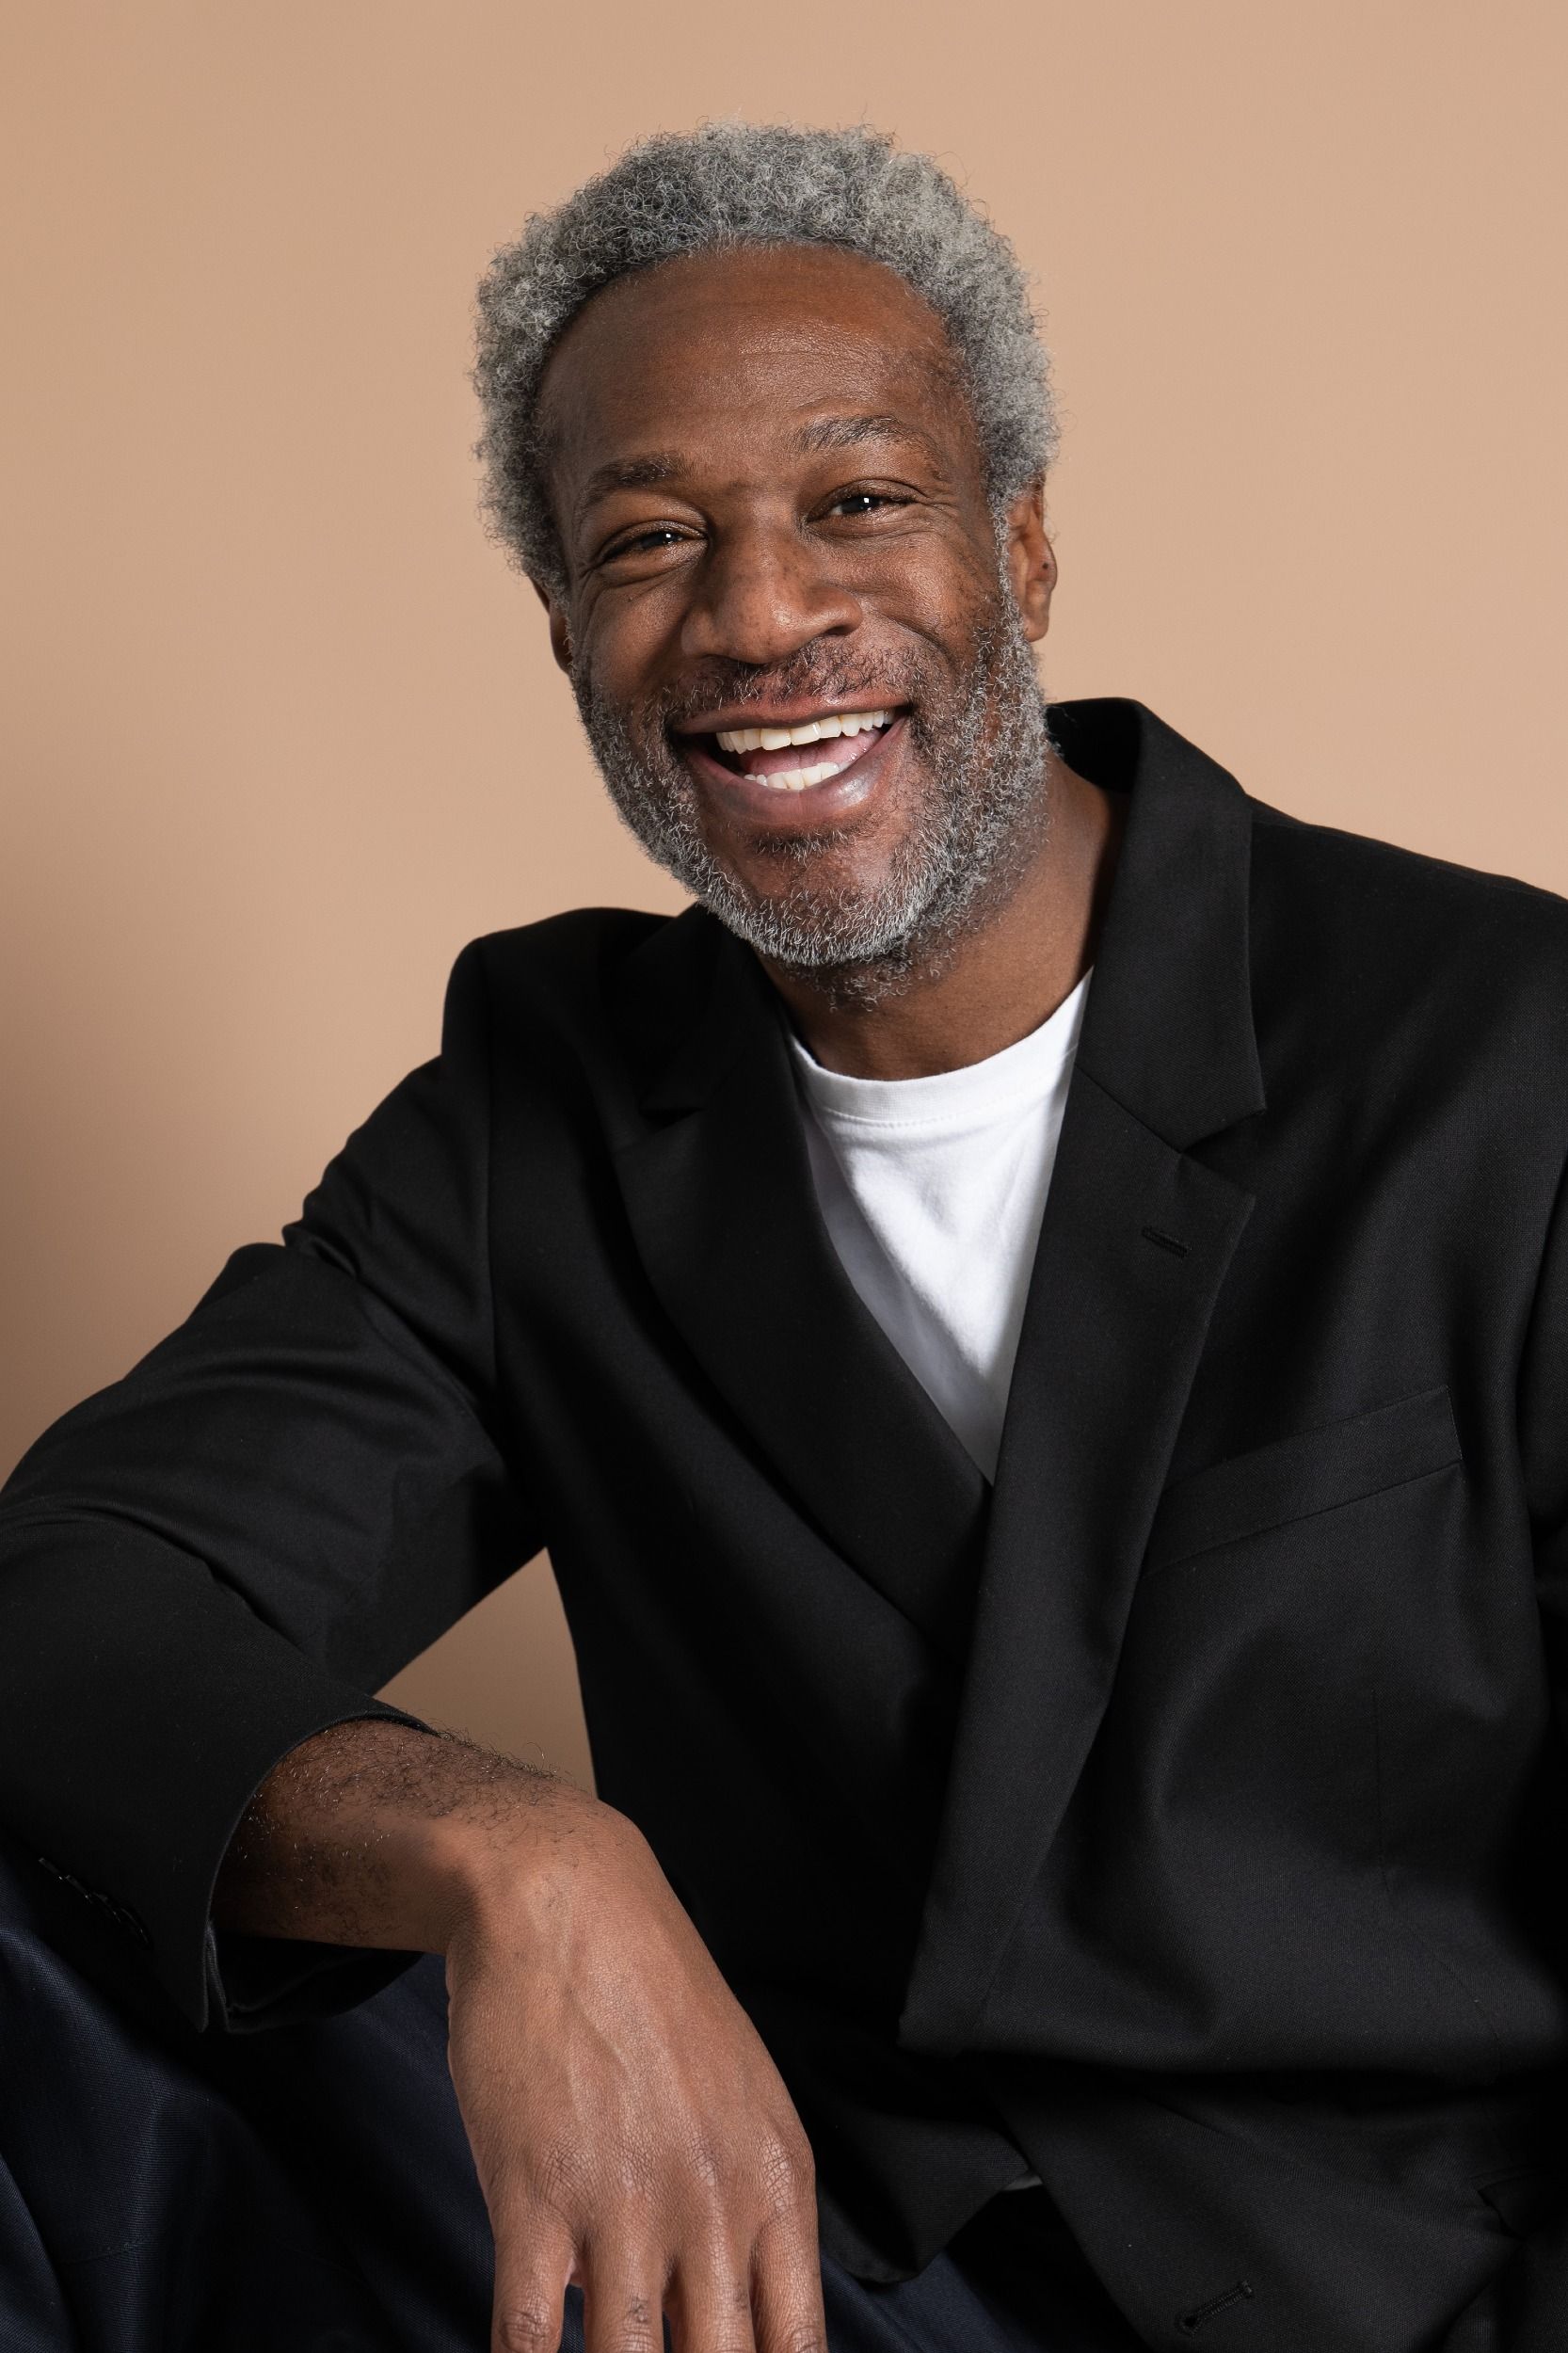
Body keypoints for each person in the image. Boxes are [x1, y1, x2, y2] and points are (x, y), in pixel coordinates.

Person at [1, 119, 1566, 2353]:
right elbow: (73, 1594)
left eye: (855, 500)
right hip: (785, 2265)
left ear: (1020, 542)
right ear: (564, 627)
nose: (754, 615)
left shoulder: (1500, 1056)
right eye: (651, 538)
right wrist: (519, 1853)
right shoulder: (541, 1111)